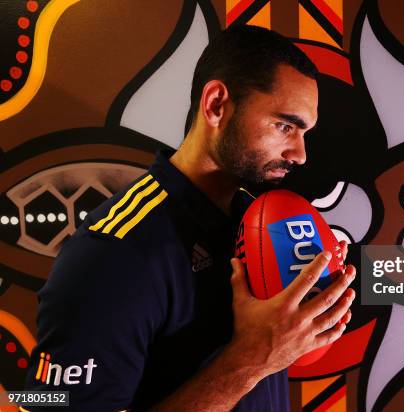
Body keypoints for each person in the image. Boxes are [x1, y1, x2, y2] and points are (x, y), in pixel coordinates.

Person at [22, 25, 355, 411]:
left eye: (304, 133)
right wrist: (251, 360)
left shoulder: (260, 224)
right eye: (285, 126)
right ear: (216, 104)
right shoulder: (112, 253)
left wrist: (312, 309)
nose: (300, 154)